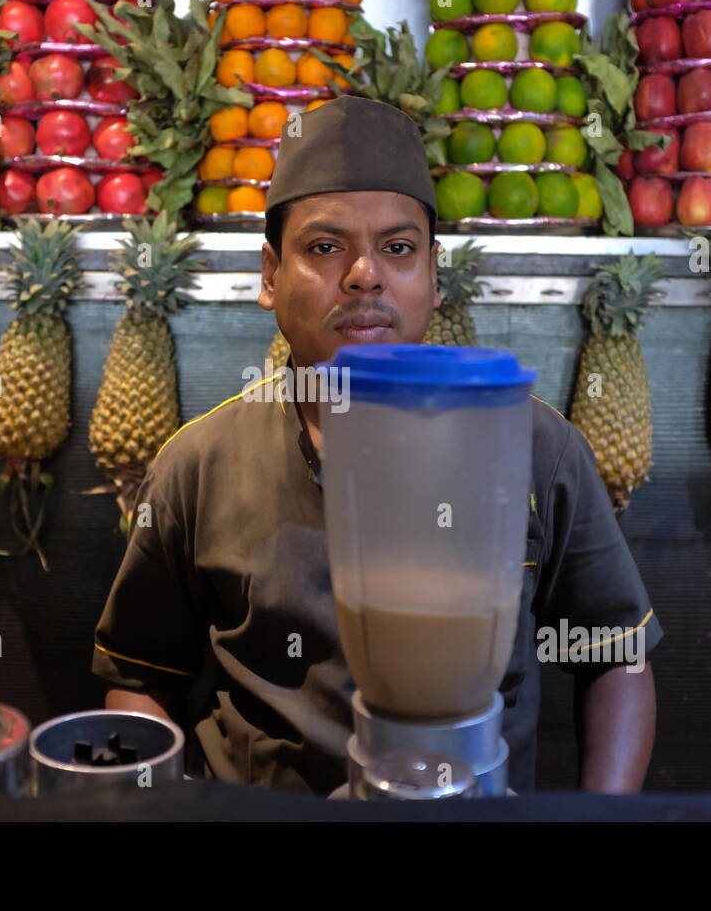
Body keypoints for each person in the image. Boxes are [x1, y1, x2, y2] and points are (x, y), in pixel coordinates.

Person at [92, 96, 660, 795]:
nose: (365, 274)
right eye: (325, 247)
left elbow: (617, 658)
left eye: (398, 248)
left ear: (433, 274)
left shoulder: (539, 448)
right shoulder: (198, 464)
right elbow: (141, 676)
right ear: (269, 275)